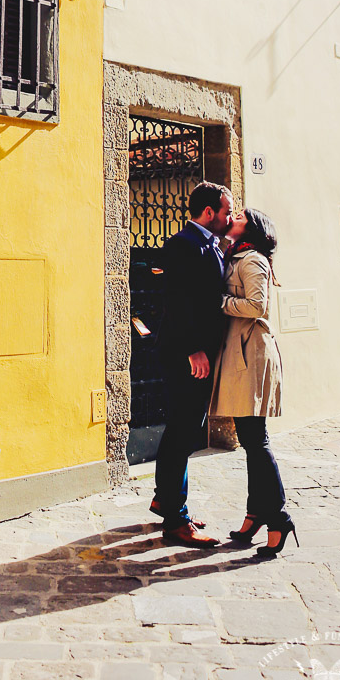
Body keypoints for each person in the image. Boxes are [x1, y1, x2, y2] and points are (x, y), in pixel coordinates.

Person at [211, 207, 297, 558]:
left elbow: (256, 305)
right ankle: (255, 514)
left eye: (242, 215)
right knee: (249, 438)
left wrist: (218, 302)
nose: (235, 216)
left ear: (253, 228)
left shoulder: (252, 259)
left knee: (255, 438)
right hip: (241, 355)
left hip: (252, 355)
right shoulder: (236, 254)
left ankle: (278, 518)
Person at [151, 180, 232, 547]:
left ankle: (166, 500)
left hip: (198, 353)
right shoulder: (183, 245)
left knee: (183, 430)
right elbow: (178, 302)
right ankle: (176, 521)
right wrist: (194, 349)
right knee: (183, 432)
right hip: (187, 355)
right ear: (210, 212)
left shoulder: (211, 245)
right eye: (226, 211)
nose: (229, 217)